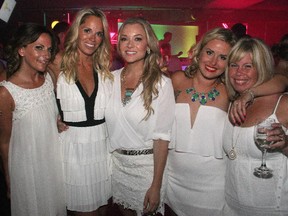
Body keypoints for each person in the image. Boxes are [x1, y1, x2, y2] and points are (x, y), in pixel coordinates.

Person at [105, 17, 175, 216]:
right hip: (117, 167)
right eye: (124, 39)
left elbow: (162, 138)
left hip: (148, 170)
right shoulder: (110, 79)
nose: (130, 45)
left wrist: (156, 184)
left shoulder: (162, 84)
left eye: (137, 39)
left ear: (148, 45)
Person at [165, 27, 237, 216]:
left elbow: (278, 80)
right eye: (210, 52)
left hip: (213, 187)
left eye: (223, 57)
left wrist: (250, 95)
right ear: (199, 51)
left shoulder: (231, 91)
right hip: (174, 181)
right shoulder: (177, 80)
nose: (213, 62)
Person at [0, 23, 66, 216]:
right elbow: (4, 142)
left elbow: (45, 118)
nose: (46, 54)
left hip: (53, 163)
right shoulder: (6, 93)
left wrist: (56, 123)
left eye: (49, 49)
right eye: (39, 47)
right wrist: (10, 180)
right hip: (27, 170)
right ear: (21, 50)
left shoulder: (48, 80)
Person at [55, 8, 113, 216]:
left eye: (99, 34)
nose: (93, 38)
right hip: (74, 152)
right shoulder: (58, 62)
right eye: (87, 30)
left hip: (102, 149)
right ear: (76, 31)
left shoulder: (103, 66)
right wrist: (52, 118)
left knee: (104, 209)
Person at [223, 37, 288, 216]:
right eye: (234, 65)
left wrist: (286, 144)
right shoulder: (232, 102)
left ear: (263, 68)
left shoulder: (282, 104)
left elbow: (282, 77)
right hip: (231, 206)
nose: (239, 73)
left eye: (248, 66)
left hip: (271, 210)